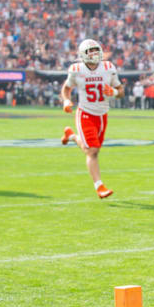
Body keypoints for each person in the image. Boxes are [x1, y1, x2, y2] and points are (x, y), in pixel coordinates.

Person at [60, 39, 124, 199]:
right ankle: (99, 186)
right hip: (85, 114)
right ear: (83, 54)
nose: (94, 54)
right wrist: (66, 100)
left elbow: (120, 89)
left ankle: (72, 136)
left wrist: (114, 93)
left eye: (96, 50)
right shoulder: (76, 69)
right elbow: (66, 88)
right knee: (92, 151)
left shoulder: (108, 67)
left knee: (92, 149)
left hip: (102, 115)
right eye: (91, 51)